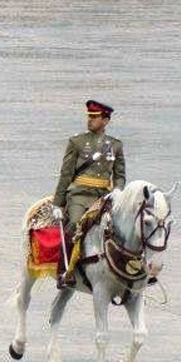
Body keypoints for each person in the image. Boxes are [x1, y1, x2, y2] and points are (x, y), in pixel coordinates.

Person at [52, 100, 125, 288]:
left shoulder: (115, 145)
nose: (90, 120)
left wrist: (118, 191)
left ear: (106, 120)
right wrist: (57, 204)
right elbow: (66, 173)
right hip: (79, 195)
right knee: (75, 223)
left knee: (119, 228)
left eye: (95, 117)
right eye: (89, 117)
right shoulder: (76, 142)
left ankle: (125, 268)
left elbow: (120, 175)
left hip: (103, 196)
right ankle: (64, 271)